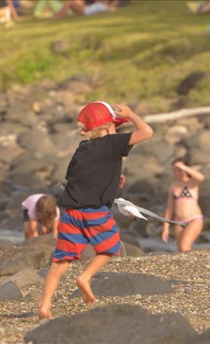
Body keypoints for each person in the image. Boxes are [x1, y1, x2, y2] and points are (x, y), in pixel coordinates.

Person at [38, 101, 154, 319]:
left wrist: (110, 182)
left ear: (86, 130)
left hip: (71, 213)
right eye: (115, 126)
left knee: (59, 262)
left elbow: (76, 177)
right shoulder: (112, 143)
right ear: (108, 127)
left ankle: (45, 305)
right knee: (109, 248)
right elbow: (146, 132)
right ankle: (85, 277)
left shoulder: (82, 149)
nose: (117, 130)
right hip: (95, 212)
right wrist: (130, 114)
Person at [161, 158, 205, 253]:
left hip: (194, 219)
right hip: (179, 222)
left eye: (179, 170)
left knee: (184, 246)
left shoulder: (191, 183)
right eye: (175, 170)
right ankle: (195, 265)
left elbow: (201, 177)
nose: (177, 173)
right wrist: (166, 227)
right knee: (181, 250)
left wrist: (183, 167)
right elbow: (169, 208)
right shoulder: (173, 186)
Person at [53, 0, 118, 20]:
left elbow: (110, 8)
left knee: (70, 2)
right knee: (74, 1)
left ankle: (59, 16)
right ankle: (59, 15)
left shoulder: (103, 7)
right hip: (86, 9)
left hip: (86, 11)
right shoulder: (103, 6)